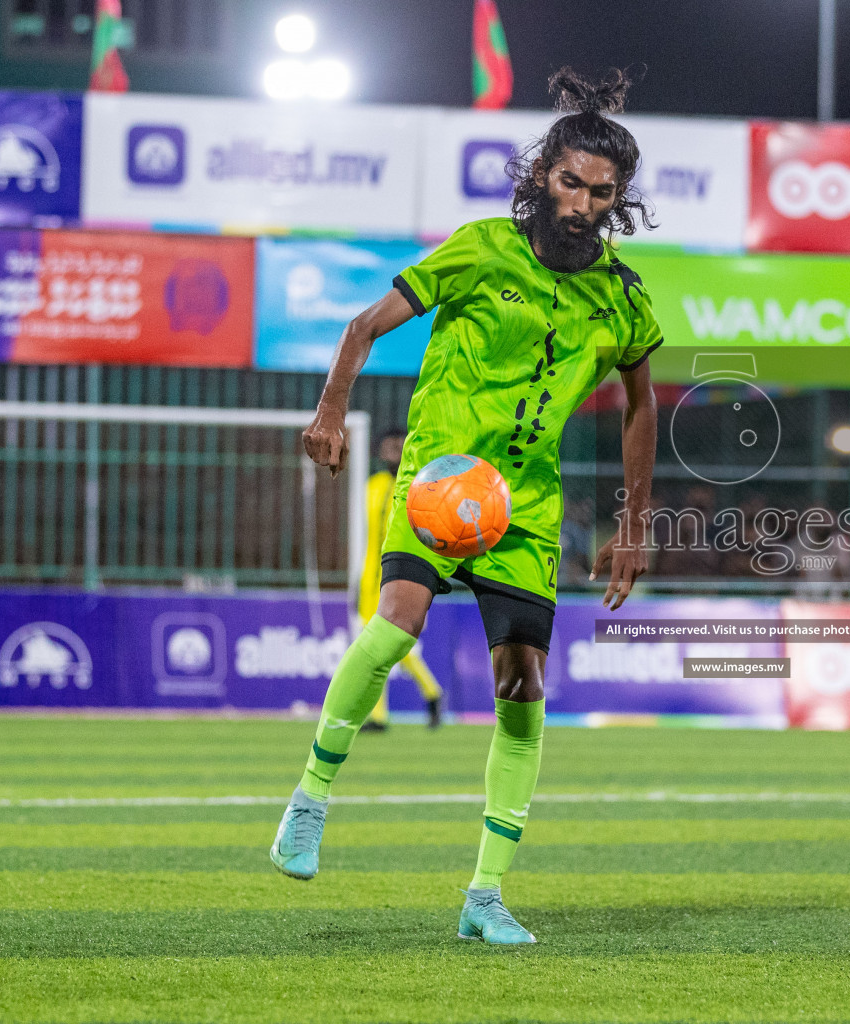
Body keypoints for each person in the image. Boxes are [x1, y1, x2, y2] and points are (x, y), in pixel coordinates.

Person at [268, 68, 663, 946]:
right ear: (540, 177)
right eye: (568, 182)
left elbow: (641, 405)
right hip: (444, 477)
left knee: (522, 691)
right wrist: (330, 411)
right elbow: (364, 326)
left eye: (601, 193)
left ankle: (484, 896)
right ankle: (311, 798)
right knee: (397, 623)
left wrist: (635, 521)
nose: (581, 203)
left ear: (618, 201)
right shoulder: (480, 248)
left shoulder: (625, 296)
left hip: (525, 507)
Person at [359, 429, 445, 732]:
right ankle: (385, 713)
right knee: (376, 646)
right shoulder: (372, 486)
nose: (392, 453)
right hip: (370, 578)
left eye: (398, 447)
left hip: (402, 576)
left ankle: (429, 693)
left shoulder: (419, 488)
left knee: (390, 644)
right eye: (387, 447)